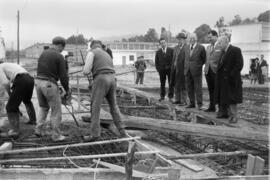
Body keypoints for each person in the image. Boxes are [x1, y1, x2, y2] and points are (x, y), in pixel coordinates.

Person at [83, 40, 127, 141]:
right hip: (112, 79)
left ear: (92, 46)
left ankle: (95, 134)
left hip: (101, 79)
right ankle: (122, 131)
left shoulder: (92, 52)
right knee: (114, 107)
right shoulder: (106, 53)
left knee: (95, 107)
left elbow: (86, 71)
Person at [34, 36, 71, 142]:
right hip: (49, 84)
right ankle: (56, 135)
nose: (62, 51)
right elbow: (63, 76)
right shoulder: (59, 56)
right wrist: (67, 89)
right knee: (56, 110)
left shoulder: (43, 53)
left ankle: (39, 129)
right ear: (60, 45)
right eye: (62, 48)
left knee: (43, 107)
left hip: (37, 83)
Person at [0, 62, 36, 138]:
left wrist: (9, 93)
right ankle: (33, 120)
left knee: (10, 107)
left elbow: (6, 83)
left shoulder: (0, 67)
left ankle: (14, 131)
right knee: (27, 100)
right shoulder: (8, 65)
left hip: (21, 80)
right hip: (30, 79)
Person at [214, 36, 243, 123]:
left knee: (232, 99)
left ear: (226, 42)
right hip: (223, 80)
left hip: (232, 80)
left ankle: (234, 116)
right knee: (226, 98)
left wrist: (231, 75)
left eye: (220, 43)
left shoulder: (235, 50)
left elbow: (239, 65)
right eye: (218, 43)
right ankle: (229, 115)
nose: (218, 45)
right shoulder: (223, 52)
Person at [184, 33, 206, 110]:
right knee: (189, 88)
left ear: (196, 39)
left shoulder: (201, 47)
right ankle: (192, 103)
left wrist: (198, 66)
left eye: (193, 38)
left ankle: (200, 104)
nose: (192, 39)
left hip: (196, 71)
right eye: (190, 38)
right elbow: (186, 59)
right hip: (187, 70)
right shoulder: (186, 47)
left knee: (198, 88)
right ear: (188, 39)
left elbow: (204, 59)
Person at [204, 30, 223, 112]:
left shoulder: (220, 46)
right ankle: (212, 107)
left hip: (216, 72)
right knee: (210, 90)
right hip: (208, 71)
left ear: (216, 36)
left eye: (210, 37)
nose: (209, 39)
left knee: (218, 90)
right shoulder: (208, 47)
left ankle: (220, 109)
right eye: (208, 37)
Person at [171, 33, 189, 105]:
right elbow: (174, 58)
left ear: (184, 40)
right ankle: (177, 99)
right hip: (175, 69)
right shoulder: (175, 48)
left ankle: (184, 100)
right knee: (176, 84)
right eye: (178, 39)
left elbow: (187, 60)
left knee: (183, 85)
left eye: (181, 39)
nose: (179, 41)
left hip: (183, 69)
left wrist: (186, 69)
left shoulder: (187, 47)